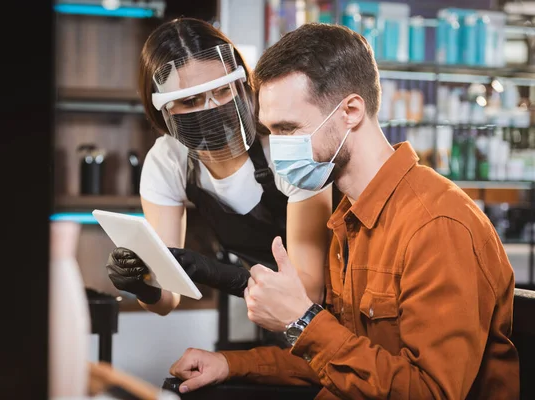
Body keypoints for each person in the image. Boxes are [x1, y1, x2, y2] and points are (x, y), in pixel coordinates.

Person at [168, 23, 520, 399]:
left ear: (350, 111)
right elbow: (339, 361)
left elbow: (429, 391)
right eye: (271, 132)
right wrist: (231, 364)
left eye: (289, 129)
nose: (277, 149)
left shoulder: (436, 226)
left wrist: (301, 321)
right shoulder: (347, 220)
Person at [105, 18, 332, 320]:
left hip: (338, 306)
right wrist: (146, 286)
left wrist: (218, 274)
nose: (211, 108)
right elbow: (167, 299)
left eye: (222, 91)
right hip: (277, 315)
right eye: (190, 100)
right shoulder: (169, 162)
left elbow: (310, 292)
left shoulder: (284, 146)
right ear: (162, 108)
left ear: (241, 82)